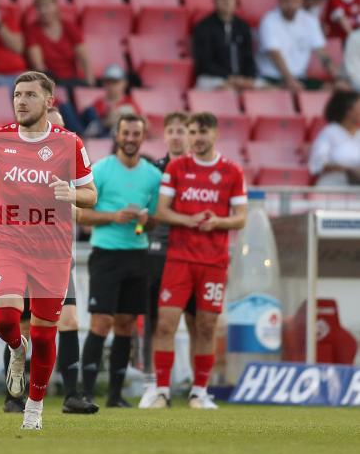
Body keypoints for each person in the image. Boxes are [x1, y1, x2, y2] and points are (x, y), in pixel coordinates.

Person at [0, 71, 97, 430]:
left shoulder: (70, 143)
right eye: (18, 94)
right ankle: (17, 351)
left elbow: (91, 194)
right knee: (5, 318)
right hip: (8, 242)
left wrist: (71, 194)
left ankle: (34, 410)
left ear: (49, 102)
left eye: (31, 95)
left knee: (46, 333)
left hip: (52, 250)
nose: (21, 100)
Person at [142, 112, 247, 409]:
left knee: (206, 325)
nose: (196, 138)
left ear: (214, 134)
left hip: (213, 261)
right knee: (165, 324)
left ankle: (199, 392)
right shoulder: (177, 168)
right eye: (192, 132)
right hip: (179, 259)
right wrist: (190, 220)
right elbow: (161, 212)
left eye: (202, 132)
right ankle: (162, 390)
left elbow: (240, 218)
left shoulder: (232, 172)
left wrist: (217, 222)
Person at [76, 114, 160, 408]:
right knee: (101, 321)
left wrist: (146, 221)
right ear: (117, 135)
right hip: (106, 253)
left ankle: (114, 395)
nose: (130, 138)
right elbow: (81, 215)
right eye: (126, 132)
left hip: (137, 254)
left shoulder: (152, 175)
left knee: (126, 324)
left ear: (143, 136)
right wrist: (113, 216)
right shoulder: (100, 170)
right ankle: (84, 392)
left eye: (136, 133)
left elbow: (153, 222)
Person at [141, 112, 198, 408]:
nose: (176, 136)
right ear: (164, 135)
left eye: (181, 130)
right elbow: (143, 208)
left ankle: (197, 389)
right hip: (157, 253)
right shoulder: (152, 171)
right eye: (171, 130)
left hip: (192, 254)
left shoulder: (197, 170)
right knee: (155, 323)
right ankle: (153, 385)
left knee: (196, 321)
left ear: (189, 135)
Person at [256, 0, 345, 90]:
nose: (290, 4)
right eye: (286, 0)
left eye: (295, 0)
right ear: (279, 1)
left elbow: (322, 53)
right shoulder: (268, 20)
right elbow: (275, 54)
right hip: (272, 78)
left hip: (300, 78)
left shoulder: (310, 20)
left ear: (301, 1)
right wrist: (290, 80)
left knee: (337, 89)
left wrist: (338, 78)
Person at [192, 0, 259, 90]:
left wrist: (248, 78)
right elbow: (204, 62)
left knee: (269, 91)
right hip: (212, 79)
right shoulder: (203, 27)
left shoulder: (243, 27)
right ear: (214, 0)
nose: (226, 1)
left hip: (241, 79)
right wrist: (229, 77)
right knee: (227, 92)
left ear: (236, 0)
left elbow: (249, 58)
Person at [25, 0, 93, 91]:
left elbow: (84, 58)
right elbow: (38, 65)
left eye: (47, 6)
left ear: (56, 6)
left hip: (72, 79)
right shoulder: (32, 30)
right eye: (39, 7)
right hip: (50, 82)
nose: (43, 11)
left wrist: (90, 82)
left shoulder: (69, 27)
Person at [66, 64, 140, 138]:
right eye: (108, 82)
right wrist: (106, 121)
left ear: (124, 83)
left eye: (115, 82)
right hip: (98, 135)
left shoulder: (130, 102)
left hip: (110, 137)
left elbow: (141, 123)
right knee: (69, 109)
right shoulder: (99, 103)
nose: (112, 86)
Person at [308, 91, 360, 185]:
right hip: (332, 189)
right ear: (348, 111)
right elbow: (317, 165)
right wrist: (347, 169)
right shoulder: (329, 132)